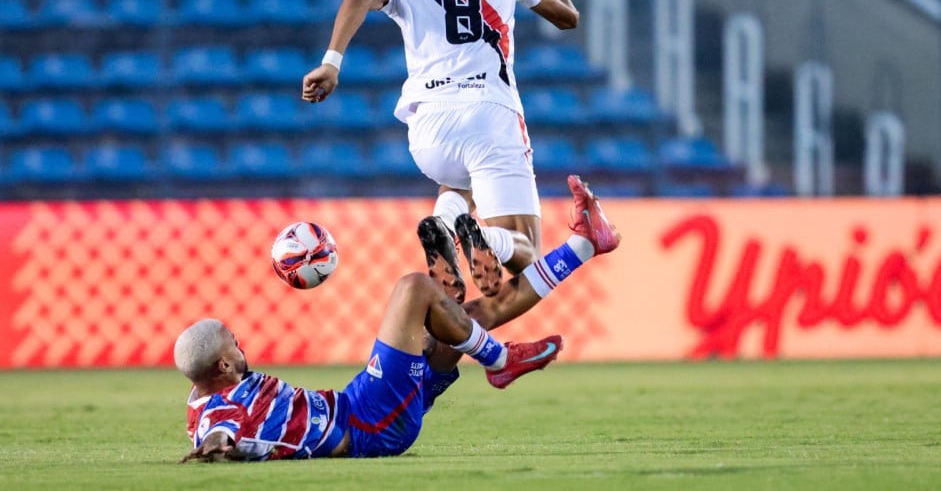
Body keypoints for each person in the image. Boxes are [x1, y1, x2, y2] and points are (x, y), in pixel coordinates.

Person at [177, 175, 619, 462]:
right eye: (233, 341)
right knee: (414, 288)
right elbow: (218, 436)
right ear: (223, 365)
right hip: (367, 421)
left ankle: (587, 243)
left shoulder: (208, 393)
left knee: (466, 320)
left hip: (357, 405)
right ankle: (501, 362)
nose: (240, 344)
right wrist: (213, 450)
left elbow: (217, 425)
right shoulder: (221, 413)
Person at [301, 0, 581, 305]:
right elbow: (568, 17)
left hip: (429, 133)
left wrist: (331, 63)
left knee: (459, 180)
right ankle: (485, 237)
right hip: (490, 117)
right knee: (528, 255)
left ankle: (445, 222)